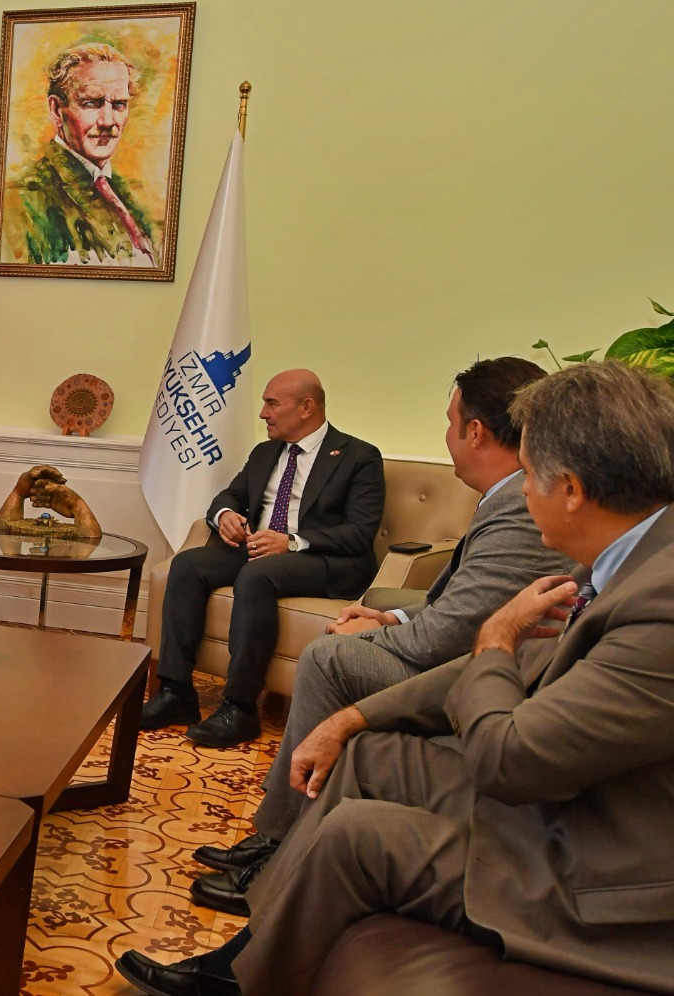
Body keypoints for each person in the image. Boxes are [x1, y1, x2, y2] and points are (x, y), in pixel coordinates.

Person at [116, 361, 674, 996]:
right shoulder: (621, 559)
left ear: (571, 488)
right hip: (563, 795)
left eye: (530, 475)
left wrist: (495, 641)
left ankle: (237, 980)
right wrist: (352, 718)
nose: (522, 491)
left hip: (593, 863)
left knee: (357, 835)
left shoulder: (659, 603)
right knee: (364, 753)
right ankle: (252, 933)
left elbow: (509, 761)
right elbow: (527, 668)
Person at [188, 357, 573, 917]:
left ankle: (280, 845)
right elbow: (462, 607)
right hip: (469, 652)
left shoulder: (517, 504)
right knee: (323, 634)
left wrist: (370, 634)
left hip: (482, 678)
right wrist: (388, 618)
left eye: (449, 422)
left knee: (331, 657)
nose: (446, 436)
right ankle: (276, 832)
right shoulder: (510, 494)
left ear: (475, 432)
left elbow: (445, 635)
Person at [142, 369, 386, 748]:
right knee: (188, 564)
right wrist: (225, 515)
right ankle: (176, 692)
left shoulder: (359, 456)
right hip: (260, 549)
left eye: (272, 403)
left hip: (324, 560)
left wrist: (291, 542)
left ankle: (239, 708)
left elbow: (359, 532)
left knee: (258, 575)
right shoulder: (265, 452)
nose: (263, 413)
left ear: (306, 407)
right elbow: (229, 496)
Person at [1, 42, 159, 268]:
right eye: (91, 103)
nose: (108, 121)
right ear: (57, 110)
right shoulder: (21, 202)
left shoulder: (126, 194)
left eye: (119, 104)